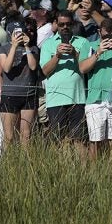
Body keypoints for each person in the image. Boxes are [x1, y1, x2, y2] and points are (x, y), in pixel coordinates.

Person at [79, 19, 112, 160]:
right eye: (104, 36)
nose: (107, 39)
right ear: (99, 32)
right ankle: (95, 175)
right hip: (95, 100)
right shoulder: (89, 46)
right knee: (96, 142)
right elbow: (83, 69)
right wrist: (98, 53)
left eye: (111, 36)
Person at [39, 14, 91, 145]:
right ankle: (59, 165)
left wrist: (75, 54)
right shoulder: (48, 44)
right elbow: (44, 71)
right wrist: (57, 56)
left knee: (79, 139)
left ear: (72, 24)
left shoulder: (83, 42)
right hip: (55, 98)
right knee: (58, 139)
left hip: (77, 98)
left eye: (68, 24)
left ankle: (82, 166)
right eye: (61, 24)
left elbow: (86, 68)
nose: (65, 27)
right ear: (56, 24)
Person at [0, 17, 39, 149]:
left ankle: (25, 166)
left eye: (21, 32)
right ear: (10, 34)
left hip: (29, 94)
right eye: (16, 32)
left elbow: (33, 67)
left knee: (26, 136)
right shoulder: (2, 49)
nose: (19, 35)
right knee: (9, 137)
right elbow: (7, 68)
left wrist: (26, 46)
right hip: (10, 94)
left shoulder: (33, 48)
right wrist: (14, 46)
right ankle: (9, 166)